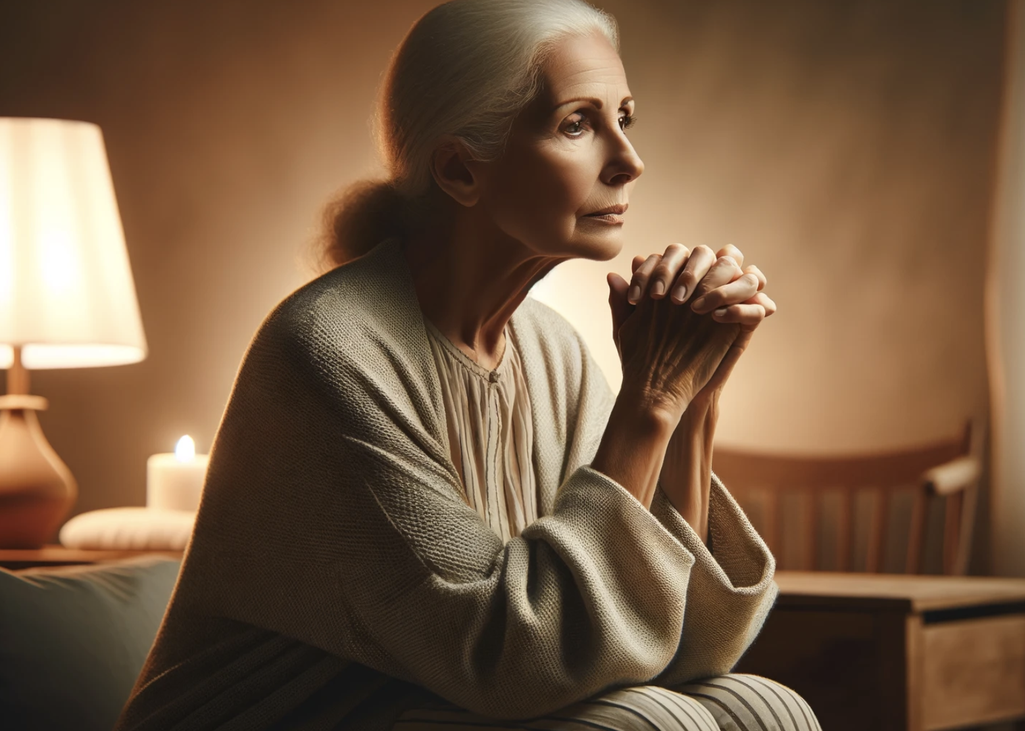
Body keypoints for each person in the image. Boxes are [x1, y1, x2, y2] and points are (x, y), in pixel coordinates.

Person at [115, 1, 819, 729]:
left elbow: (683, 646)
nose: (628, 159)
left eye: (624, 118)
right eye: (578, 123)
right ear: (458, 168)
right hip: (297, 715)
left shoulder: (552, 352)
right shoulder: (329, 350)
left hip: (429, 704)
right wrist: (650, 401)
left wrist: (693, 395)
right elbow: (518, 657)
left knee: (760, 705)